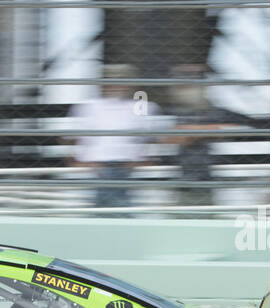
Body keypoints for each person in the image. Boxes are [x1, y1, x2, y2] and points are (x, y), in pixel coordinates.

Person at [69, 65, 164, 210]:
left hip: (129, 170)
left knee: (117, 210)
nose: (116, 84)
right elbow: (71, 140)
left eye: (121, 79)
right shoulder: (88, 106)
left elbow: (153, 140)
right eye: (111, 80)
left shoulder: (144, 106)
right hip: (95, 171)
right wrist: (83, 162)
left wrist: (143, 161)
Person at [163, 64, 233, 210]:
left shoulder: (211, 109)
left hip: (206, 177)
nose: (188, 88)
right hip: (180, 179)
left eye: (192, 83)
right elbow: (168, 138)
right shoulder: (173, 109)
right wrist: (202, 132)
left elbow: (227, 130)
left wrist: (189, 131)